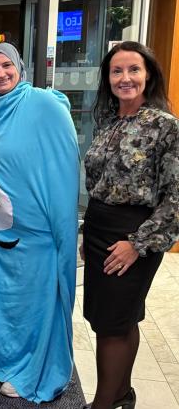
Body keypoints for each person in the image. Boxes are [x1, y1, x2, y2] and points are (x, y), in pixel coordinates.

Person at [0, 35, 79, 403]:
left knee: (34, 303)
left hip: (36, 233)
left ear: (20, 68)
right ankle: (2, 358)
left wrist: (62, 225)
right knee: (3, 300)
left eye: (7, 65)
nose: (0, 73)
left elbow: (64, 162)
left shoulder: (41, 103)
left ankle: (34, 368)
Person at [82, 41, 179, 409]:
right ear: (108, 79)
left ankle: (103, 403)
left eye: (133, 70)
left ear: (148, 74)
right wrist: (87, 231)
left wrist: (137, 244)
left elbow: (177, 196)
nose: (125, 78)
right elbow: (100, 184)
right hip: (99, 229)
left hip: (133, 234)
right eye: (117, 71)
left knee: (111, 325)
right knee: (117, 319)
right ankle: (122, 395)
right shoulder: (109, 122)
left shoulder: (166, 126)